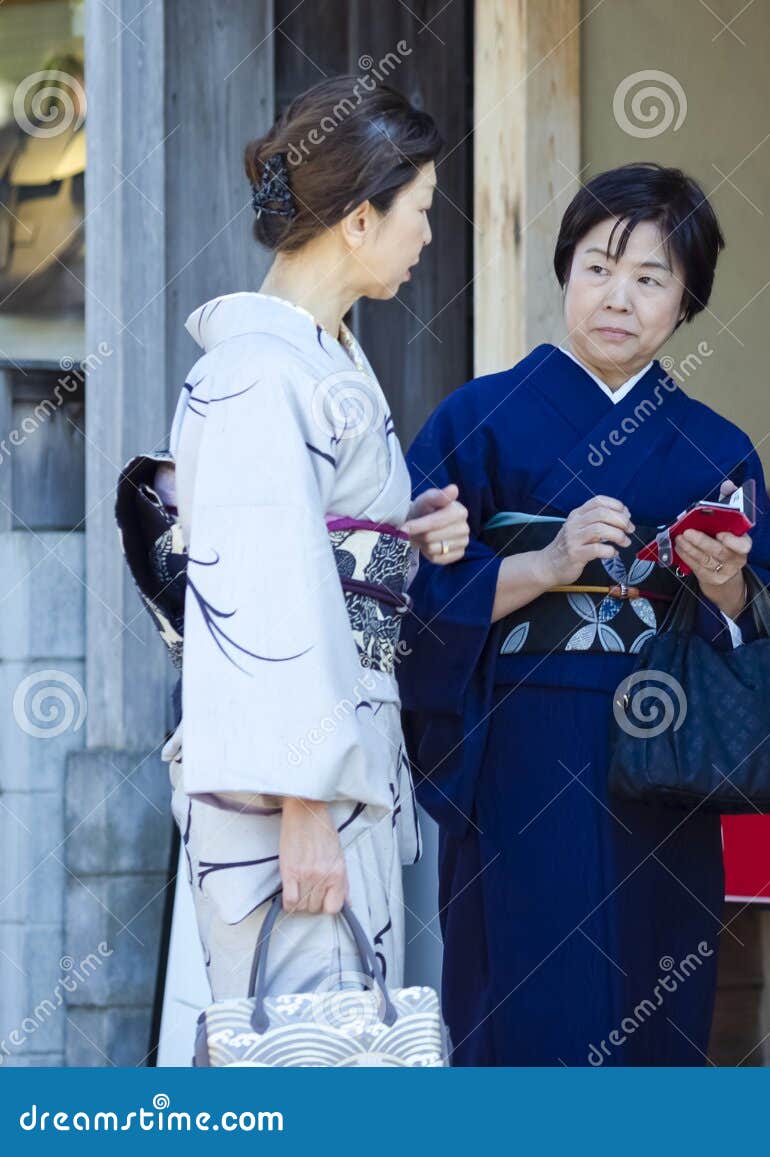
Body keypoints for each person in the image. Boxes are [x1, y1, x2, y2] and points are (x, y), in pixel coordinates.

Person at [400, 162, 770, 1065]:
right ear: (563, 272)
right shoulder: (481, 418)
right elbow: (414, 595)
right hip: (519, 752)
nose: (617, 298)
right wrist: (545, 563)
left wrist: (727, 584)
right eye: (597, 268)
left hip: (664, 760)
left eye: (650, 278)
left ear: (687, 301)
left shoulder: (715, 446)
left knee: (654, 996)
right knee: (522, 999)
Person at [160, 77, 468, 999]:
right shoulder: (260, 371)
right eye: (418, 210)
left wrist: (401, 536)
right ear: (359, 220)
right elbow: (264, 594)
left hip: (339, 756)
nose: (426, 233)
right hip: (291, 791)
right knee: (308, 1047)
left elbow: (323, 552)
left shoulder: (320, 356)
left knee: (342, 1045)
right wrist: (301, 804)